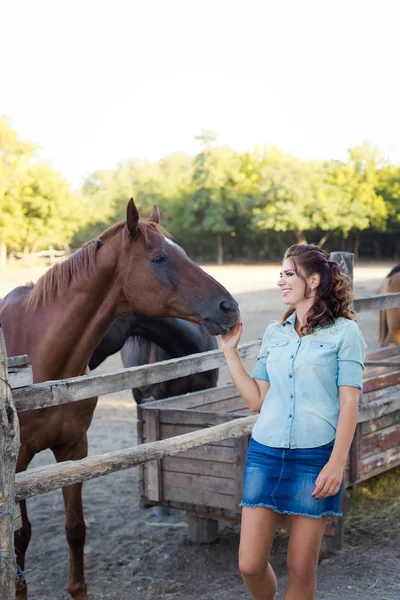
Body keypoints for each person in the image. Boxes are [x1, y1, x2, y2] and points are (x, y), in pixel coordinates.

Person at [221, 244, 366, 600]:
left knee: (301, 570)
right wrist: (230, 352)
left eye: (288, 273)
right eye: (281, 274)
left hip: (315, 458)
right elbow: (257, 400)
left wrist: (336, 463)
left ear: (313, 280)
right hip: (264, 455)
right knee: (250, 565)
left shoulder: (346, 334)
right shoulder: (276, 333)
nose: (280, 281)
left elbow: (349, 403)